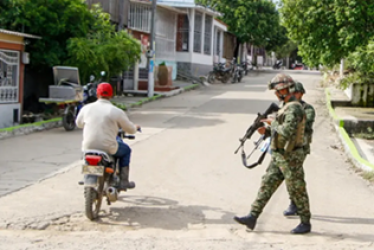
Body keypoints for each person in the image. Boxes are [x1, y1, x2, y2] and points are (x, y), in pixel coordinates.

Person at [233, 73, 312, 234]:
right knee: (267, 184)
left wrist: (273, 123)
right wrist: (266, 130)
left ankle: (305, 222)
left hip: (291, 156)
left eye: (278, 91)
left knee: (297, 188)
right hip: (279, 154)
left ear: (285, 90)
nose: (276, 94)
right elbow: (279, 130)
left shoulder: (295, 108)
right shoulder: (285, 106)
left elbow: (288, 132)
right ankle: (253, 216)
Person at [76, 82, 140, 190]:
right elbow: (130, 129)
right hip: (108, 147)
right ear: (111, 95)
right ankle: (124, 181)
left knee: (86, 156)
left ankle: (88, 175)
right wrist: (135, 127)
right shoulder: (116, 111)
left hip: (88, 147)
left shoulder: (86, 109)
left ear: (97, 94)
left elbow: (78, 124)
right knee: (126, 150)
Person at [283, 81, 316, 217]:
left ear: (301, 94)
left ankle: (296, 204)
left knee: (295, 177)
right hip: (285, 147)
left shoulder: (307, 109)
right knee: (288, 176)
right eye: (291, 93)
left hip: (300, 148)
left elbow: (305, 124)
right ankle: (295, 203)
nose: (293, 95)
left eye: (295, 93)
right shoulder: (286, 107)